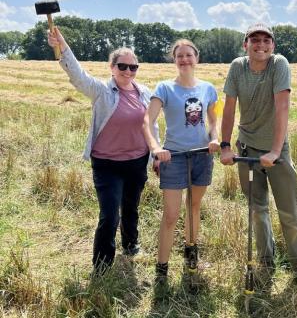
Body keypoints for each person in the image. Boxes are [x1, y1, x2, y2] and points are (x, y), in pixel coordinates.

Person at [47, 27, 157, 274]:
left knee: (131, 207)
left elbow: (153, 125)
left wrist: (156, 153)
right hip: (106, 164)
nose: (128, 71)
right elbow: (78, 75)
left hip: (137, 161)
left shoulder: (145, 93)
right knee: (109, 215)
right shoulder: (102, 91)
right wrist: (63, 47)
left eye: (133, 67)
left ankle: (131, 244)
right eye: (122, 66)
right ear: (112, 67)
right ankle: (102, 266)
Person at [220, 23, 297, 285]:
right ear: (245, 44)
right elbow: (228, 108)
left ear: (273, 45)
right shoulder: (237, 67)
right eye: (254, 40)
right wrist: (225, 145)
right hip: (247, 148)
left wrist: (275, 150)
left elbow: (283, 107)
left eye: (266, 40)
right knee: (257, 209)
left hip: (276, 149)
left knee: (288, 210)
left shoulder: (279, 64)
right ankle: (265, 259)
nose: (261, 45)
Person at [143, 39, 220, 289]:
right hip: (173, 157)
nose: (184, 59)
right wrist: (156, 148)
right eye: (180, 56)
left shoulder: (208, 88)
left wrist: (215, 139)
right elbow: (147, 121)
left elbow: (212, 121)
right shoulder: (164, 88)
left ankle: (191, 253)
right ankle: (162, 269)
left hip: (201, 156)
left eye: (189, 55)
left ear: (197, 58)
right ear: (174, 60)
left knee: (194, 207)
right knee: (171, 215)